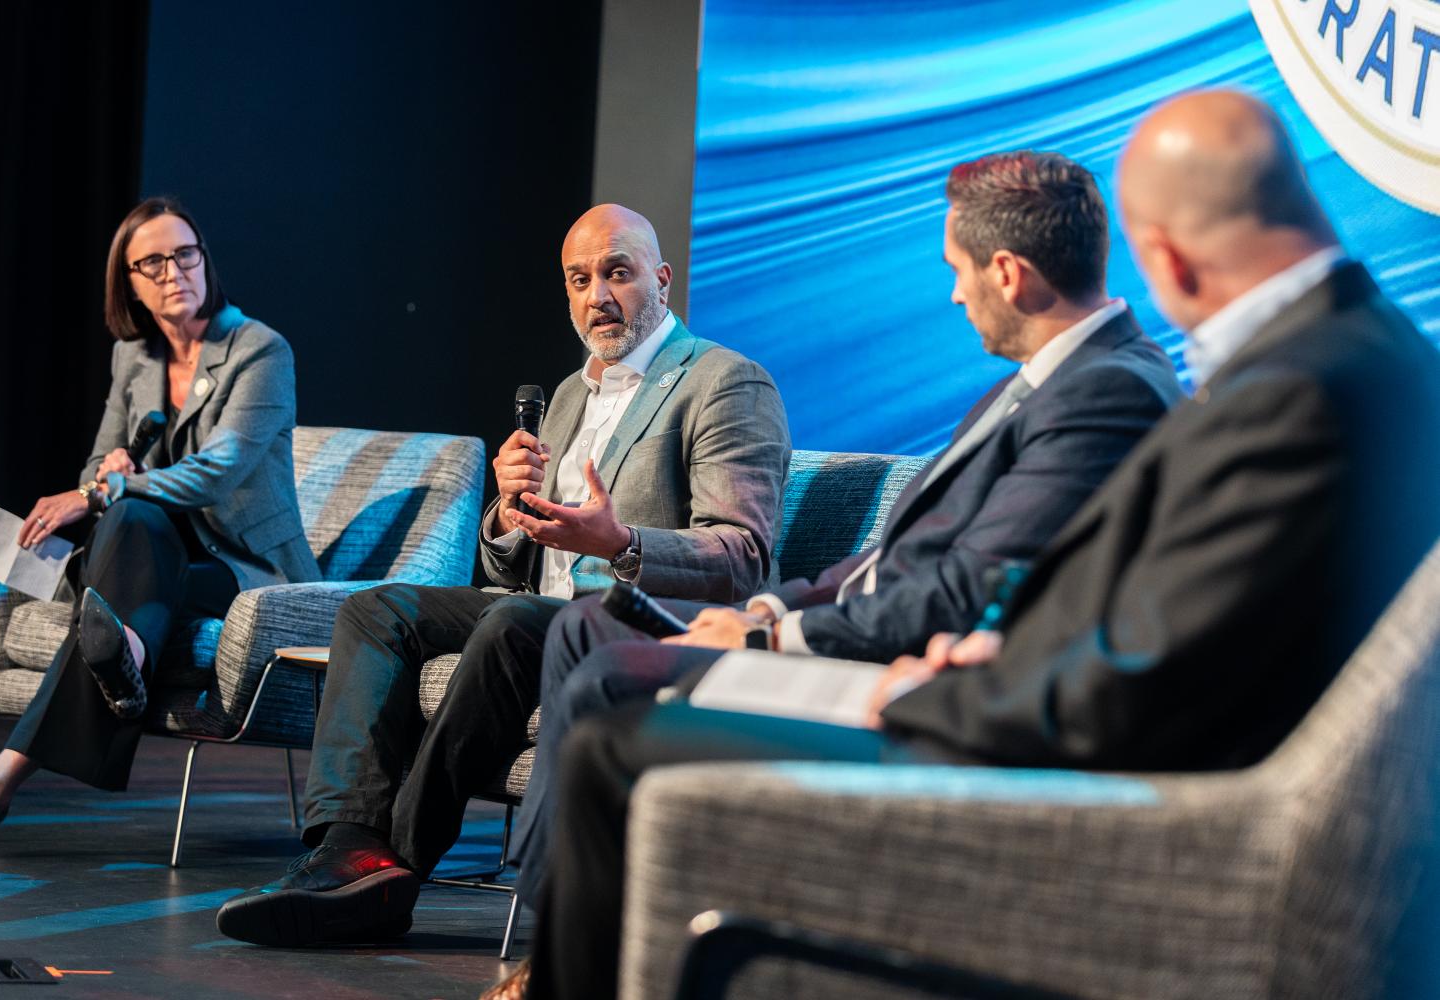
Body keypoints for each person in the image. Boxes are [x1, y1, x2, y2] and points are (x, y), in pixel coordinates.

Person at [488, 90, 1440, 1000]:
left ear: (1167, 259)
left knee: (615, 731)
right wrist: (988, 651)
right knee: (608, 678)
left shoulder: (1293, 392)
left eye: (956, 270)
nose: (953, 294)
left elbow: (1137, 677)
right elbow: (1156, 614)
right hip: (1020, 700)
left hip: (1082, 784)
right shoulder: (1356, 358)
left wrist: (934, 687)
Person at [503, 150, 1183, 909]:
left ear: (1006, 274)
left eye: (957, 271)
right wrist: (771, 609)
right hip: (857, 639)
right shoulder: (1030, 387)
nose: (956, 294)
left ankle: (556, 939)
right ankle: (549, 926)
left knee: (608, 684)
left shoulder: (1108, 391)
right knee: (587, 629)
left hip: (900, 671)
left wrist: (772, 635)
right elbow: (891, 557)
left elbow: (966, 587)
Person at [214, 204, 791, 947]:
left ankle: (396, 864)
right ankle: (343, 846)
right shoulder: (571, 393)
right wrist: (507, 512)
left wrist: (621, 542)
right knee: (375, 610)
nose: (598, 296)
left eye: (617, 273)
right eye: (579, 280)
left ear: (662, 280)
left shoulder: (724, 381)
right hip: (532, 605)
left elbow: (742, 555)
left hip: (636, 617)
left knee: (510, 620)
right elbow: (508, 565)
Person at [0, 197, 317, 861]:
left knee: (126, 516)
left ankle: (3, 777)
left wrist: (108, 486)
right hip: (149, 555)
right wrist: (108, 473)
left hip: (241, 566)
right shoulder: (132, 358)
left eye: (185, 254)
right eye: (153, 262)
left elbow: (218, 472)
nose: (174, 272)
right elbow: (97, 463)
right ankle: (126, 659)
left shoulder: (259, 350)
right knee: (131, 518)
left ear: (205, 260)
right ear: (129, 282)